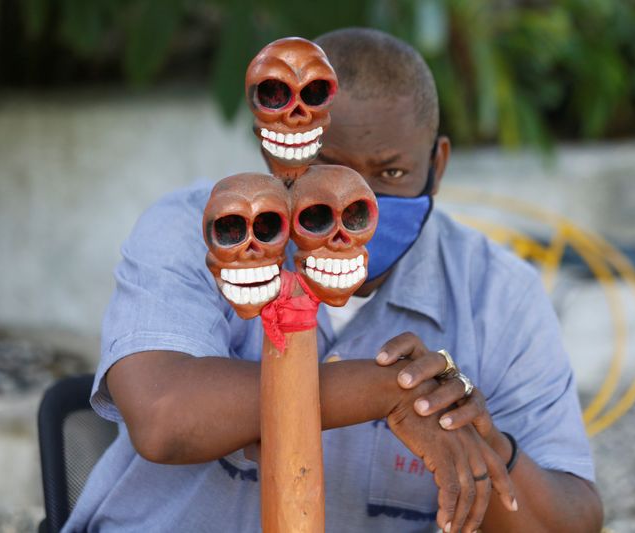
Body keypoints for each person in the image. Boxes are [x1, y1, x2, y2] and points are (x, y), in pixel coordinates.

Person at [63, 28, 603, 533]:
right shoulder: (202, 229)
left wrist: (483, 444)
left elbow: (572, 518)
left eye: (390, 174)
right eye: (328, 167)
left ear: (437, 164)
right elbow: (163, 417)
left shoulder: (499, 293)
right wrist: (386, 389)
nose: (357, 199)